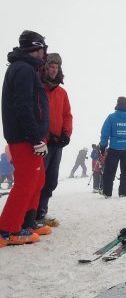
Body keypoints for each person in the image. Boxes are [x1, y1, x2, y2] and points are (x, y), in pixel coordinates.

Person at [0, 30, 50, 247]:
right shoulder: (23, 70)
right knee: (25, 182)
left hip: (28, 136)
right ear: (36, 49)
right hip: (24, 137)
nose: (44, 54)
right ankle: (7, 230)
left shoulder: (25, 68)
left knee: (36, 180)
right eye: (42, 49)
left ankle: (25, 222)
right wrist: (35, 137)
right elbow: (23, 106)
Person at [36, 53, 73, 226]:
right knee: (37, 180)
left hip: (57, 143)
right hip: (41, 143)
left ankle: (41, 213)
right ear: (45, 67)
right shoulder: (37, 88)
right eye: (51, 66)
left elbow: (67, 115)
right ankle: (30, 215)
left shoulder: (62, 92)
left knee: (51, 180)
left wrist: (66, 134)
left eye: (56, 67)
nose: (53, 70)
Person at [99, 96, 126, 197]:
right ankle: (123, 192)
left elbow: (105, 133)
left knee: (109, 172)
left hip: (114, 149)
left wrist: (103, 146)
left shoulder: (111, 117)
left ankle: (107, 192)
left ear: (117, 104)